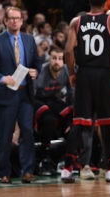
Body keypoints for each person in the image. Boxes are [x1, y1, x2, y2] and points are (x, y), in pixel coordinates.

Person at [61, 0, 110, 183]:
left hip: (85, 74)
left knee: (79, 122)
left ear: (89, 2)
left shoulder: (76, 21)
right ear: (106, 4)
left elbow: (68, 51)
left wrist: (72, 72)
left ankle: (67, 168)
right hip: (105, 73)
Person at [0, 7, 42, 184]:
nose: (15, 21)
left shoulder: (29, 40)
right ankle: (4, 172)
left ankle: (27, 171)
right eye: (12, 19)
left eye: (18, 18)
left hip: (24, 94)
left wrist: (35, 72)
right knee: (5, 134)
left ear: (22, 22)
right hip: (5, 94)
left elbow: (37, 64)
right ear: (5, 21)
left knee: (27, 132)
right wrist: (1, 78)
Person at [34, 47, 72, 176]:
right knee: (49, 118)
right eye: (54, 58)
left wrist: (69, 121)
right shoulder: (40, 72)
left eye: (60, 59)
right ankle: (44, 159)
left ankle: (67, 158)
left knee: (70, 112)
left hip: (51, 98)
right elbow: (29, 96)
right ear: (49, 58)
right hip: (35, 99)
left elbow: (72, 95)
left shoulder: (67, 71)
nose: (57, 61)